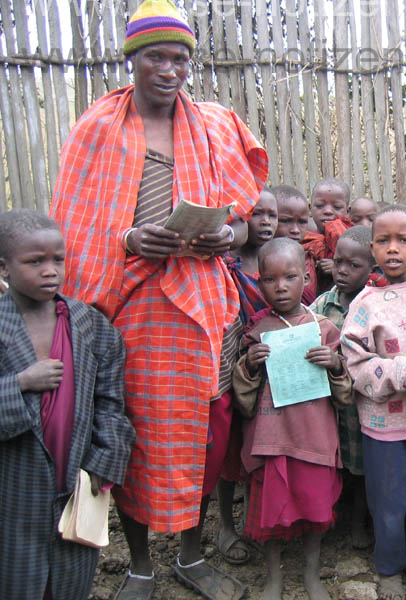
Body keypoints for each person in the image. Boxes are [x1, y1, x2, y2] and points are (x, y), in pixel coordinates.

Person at [49, 2, 269, 598]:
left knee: (204, 436)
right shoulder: (99, 127)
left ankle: (192, 557)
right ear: (133, 61)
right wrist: (128, 237)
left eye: (180, 58)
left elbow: (246, 221)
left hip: (204, 306)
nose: (169, 69)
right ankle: (142, 564)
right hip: (132, 306)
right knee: (135, 434)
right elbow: (70, 223)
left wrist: (229, 235)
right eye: (156, 58)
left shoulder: (215, 127)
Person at [0, 210, 134, 600]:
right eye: (34, 262)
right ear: (4, 267)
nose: (49, 271)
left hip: (76, 481)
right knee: (16, 578)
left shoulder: (87, 323)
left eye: (57, 259)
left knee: (71, 577)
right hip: (13, 486)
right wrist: (20, 384)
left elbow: (111, 401)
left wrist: (102, 464)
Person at [232, 238, 351, 600]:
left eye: (290, 277)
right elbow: (241, 396)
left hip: (313, 436)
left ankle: (311, 573)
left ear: (307, 276)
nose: (280, 286)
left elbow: (345, 393)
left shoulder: (323, 329)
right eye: (269, 279)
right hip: (271, 439)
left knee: (315, 508)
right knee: (271, 512)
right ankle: (274, 577)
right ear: (259, 281)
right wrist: (251, 363)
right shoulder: (255, 330)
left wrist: (333, 364)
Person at [340, 205, 406, 600]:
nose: (393, 249)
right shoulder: (365, 304)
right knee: (389, 500)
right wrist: (405, 374)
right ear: (372, 249)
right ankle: (390, 566)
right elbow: (356, 363)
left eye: (403, 240)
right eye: (383, 241)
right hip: (385, 423)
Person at [214, 185, 279, 566]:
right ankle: (225, 524)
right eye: (258, 214)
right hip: (232, 365)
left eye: (272, 215)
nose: (267, 221)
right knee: (229, 448)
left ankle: (259, 521)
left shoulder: (279, 262)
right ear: (239, 218)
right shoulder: (225, 266)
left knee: (261, 446)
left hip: (273, 369)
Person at [309, 225, 377, 550]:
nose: (343, 271)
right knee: (333, 462)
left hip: (362, 405)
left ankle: (358, 522)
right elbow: (305, 337)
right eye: (338, 263)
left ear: (372, 269)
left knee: (362, 466)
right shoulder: (323, 304)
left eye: (354, 265)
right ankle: (330, 516)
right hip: (330, 403)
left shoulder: (375, 304)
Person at [304, 178, 354, 294]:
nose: (328, 211)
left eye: (336, 207)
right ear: (310, 209)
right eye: (320, 206)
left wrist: (336, 268)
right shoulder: (305, 239)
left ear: (348, 211)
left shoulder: (351, 240)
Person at [272, 185, 319, 305]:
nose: (295, 230)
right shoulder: (261, 258)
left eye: (302, 222)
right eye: (286, 221)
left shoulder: (312, 252)